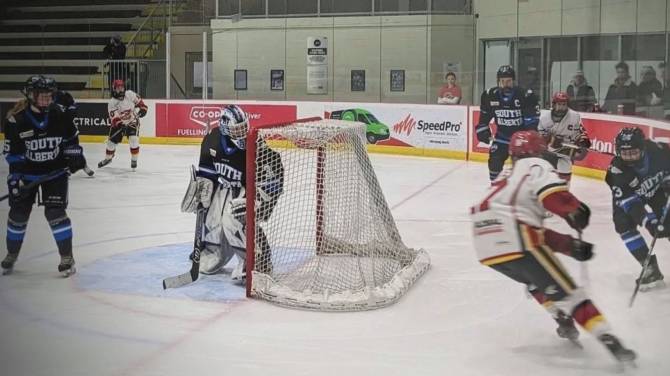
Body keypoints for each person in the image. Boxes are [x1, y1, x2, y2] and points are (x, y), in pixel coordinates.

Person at [470, 130, 636, 363]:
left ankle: (561, 317)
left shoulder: (506, 176)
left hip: (484, 242)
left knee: (534, 279)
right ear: (539, 151)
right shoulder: (536, 164)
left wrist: (569, 246)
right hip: (515, 234)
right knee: (570, 292)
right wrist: (573, 210)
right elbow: (550, 198)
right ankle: (611, 342)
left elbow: (524, 229)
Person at [181, 104, 283, 280]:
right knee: (212, 216)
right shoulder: (212, 140)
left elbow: (275, 174)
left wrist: (258, 201)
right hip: (225, 187)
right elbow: (207, 173)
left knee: (234, 218)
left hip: (247, 189)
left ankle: (258, 260)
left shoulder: (256, 144)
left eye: (244, 128)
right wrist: (202, 193)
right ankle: (214, 252)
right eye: (236, 130)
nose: (242, 133)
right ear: (225, 129)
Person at [1, 75, 88, 276]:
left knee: (55, 213)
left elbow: (71, 140)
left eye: (50, 96)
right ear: (31, 95)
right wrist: (15, 178)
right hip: (28, 175)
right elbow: (13, 154)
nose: (47, 99)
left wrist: (75, 155)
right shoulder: (17, 120)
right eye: (42, 96)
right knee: (18, 216)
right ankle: (11, 254)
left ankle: (67, 257)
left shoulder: (60, 114)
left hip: (55, 173)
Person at [605, 127, 670, 291]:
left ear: (643, 148)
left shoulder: (659, 150)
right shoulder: (616, 170)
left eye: (633, 153)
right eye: (624, 154)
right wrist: (649, 222)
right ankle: (649, 268)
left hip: (656, 191)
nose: (629, 159)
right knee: (623, 225)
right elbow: (630, 203)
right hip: (631, 196)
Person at [475, 65, 540, 182]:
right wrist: (482, 130)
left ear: (513, 81)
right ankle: (495, 188)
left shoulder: (525, 95)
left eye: (508, 81)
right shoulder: (490, 95)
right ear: (498, 81)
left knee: (523, 169)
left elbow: (532, 124)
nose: (505, 84)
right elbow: (483, 120)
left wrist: (528, 139)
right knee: (494, 162)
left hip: (521, 139)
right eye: (502, 81)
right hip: (502, 137)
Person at [538, 91, 591, 182]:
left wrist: (583, 142)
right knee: (546, 180)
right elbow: (540, 136)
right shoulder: (544, 118)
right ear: (554, 105)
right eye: (559, 104)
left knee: (564, 182)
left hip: (565, 151)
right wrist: (551, 140)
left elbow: (580, 132)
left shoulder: (574, 117)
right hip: (548, 153)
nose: (562, 107)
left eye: (564, 104)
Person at [97, 79, 148, 171]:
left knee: (134, 139)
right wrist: (120, 125)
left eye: (122, 87)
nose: (121, 90)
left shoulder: (130, 94)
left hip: (132, 121)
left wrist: (143, 109)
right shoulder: (112, 103)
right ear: (114, 89)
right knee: (111, 144)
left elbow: (142, 105)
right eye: (118, 88)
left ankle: (134, 160)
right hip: (119, 124)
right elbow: (115, 119)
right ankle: (108, 159)